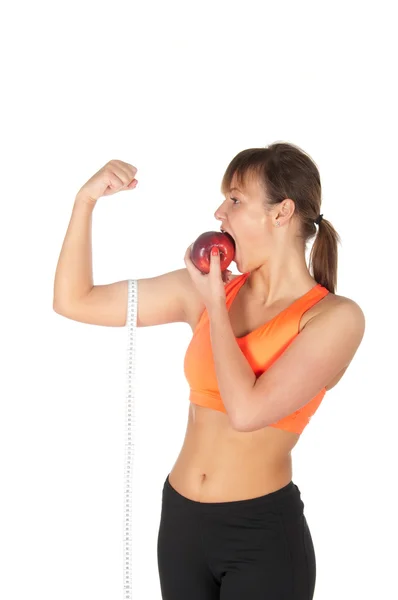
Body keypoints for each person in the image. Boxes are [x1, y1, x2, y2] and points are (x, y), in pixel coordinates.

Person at [53, 143, 365, 599]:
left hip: (259, 536)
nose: (219, 212)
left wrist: (217, 305)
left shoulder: (334, 318)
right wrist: (85, 201)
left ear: (282, 213)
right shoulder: (205, 290)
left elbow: (247, 410)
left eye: (235, 200)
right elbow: (73, 301)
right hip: (181, 523)